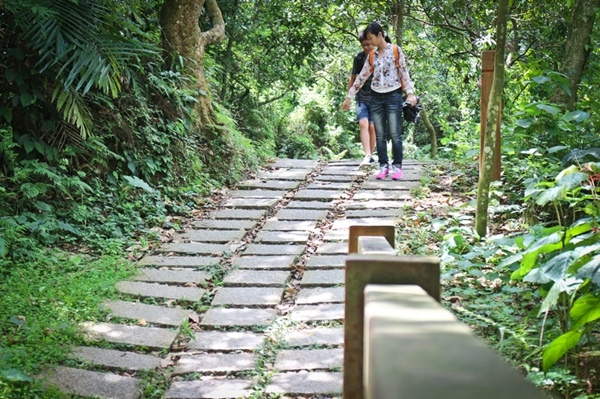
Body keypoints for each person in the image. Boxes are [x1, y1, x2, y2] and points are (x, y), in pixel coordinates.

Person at [342, 22, 417, 180]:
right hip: (375, 97)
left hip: (394, 96)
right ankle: (383, 166)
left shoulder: (395, 51)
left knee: (395, 134)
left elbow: (404, 72)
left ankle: (397, 166)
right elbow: (361, 77)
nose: (370, 43)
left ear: (379, 35)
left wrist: (410, 94)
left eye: (371, 38)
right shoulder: (372, 56)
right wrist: (349, 97)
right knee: (380, 134)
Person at [346, 32, 376, 167]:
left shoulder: (379, 56)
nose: (366, 47)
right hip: (361, 96)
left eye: (368, 44)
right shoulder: (358, 58)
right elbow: (353, 77)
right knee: (363, 124)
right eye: (364, 45)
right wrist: (348, 96)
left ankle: (372, 153)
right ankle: (367, 155)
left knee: (372, 126)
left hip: (376, 97)